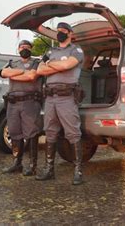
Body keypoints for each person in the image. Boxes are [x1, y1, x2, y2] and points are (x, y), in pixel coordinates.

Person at [35, 22, 85, 185]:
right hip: (50, 97)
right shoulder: (50, 51)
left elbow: (67, 65)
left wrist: (50, 65)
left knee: (73, 133)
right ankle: (49, 169)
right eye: (58, 31)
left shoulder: (76, 50)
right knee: (50, 132)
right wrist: (54, 66)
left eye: (63, 31)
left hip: (67, 97)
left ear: (70, 34)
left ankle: (78, 171)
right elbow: (39, 70)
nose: (60, 33)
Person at [0, 40, 42, 176]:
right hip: (13, 103)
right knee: (14, 132)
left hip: (29, 102)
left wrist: (15, 74)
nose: (24, 49)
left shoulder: (37, 62)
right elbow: (3, 73)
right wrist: (23, 72)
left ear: (31, 49)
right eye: (22, 47)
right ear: (18, 49)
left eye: (27, 47)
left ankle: (32, 165)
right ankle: (17, 163)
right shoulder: (12, 62)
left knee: (31, 132)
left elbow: (32, 76)